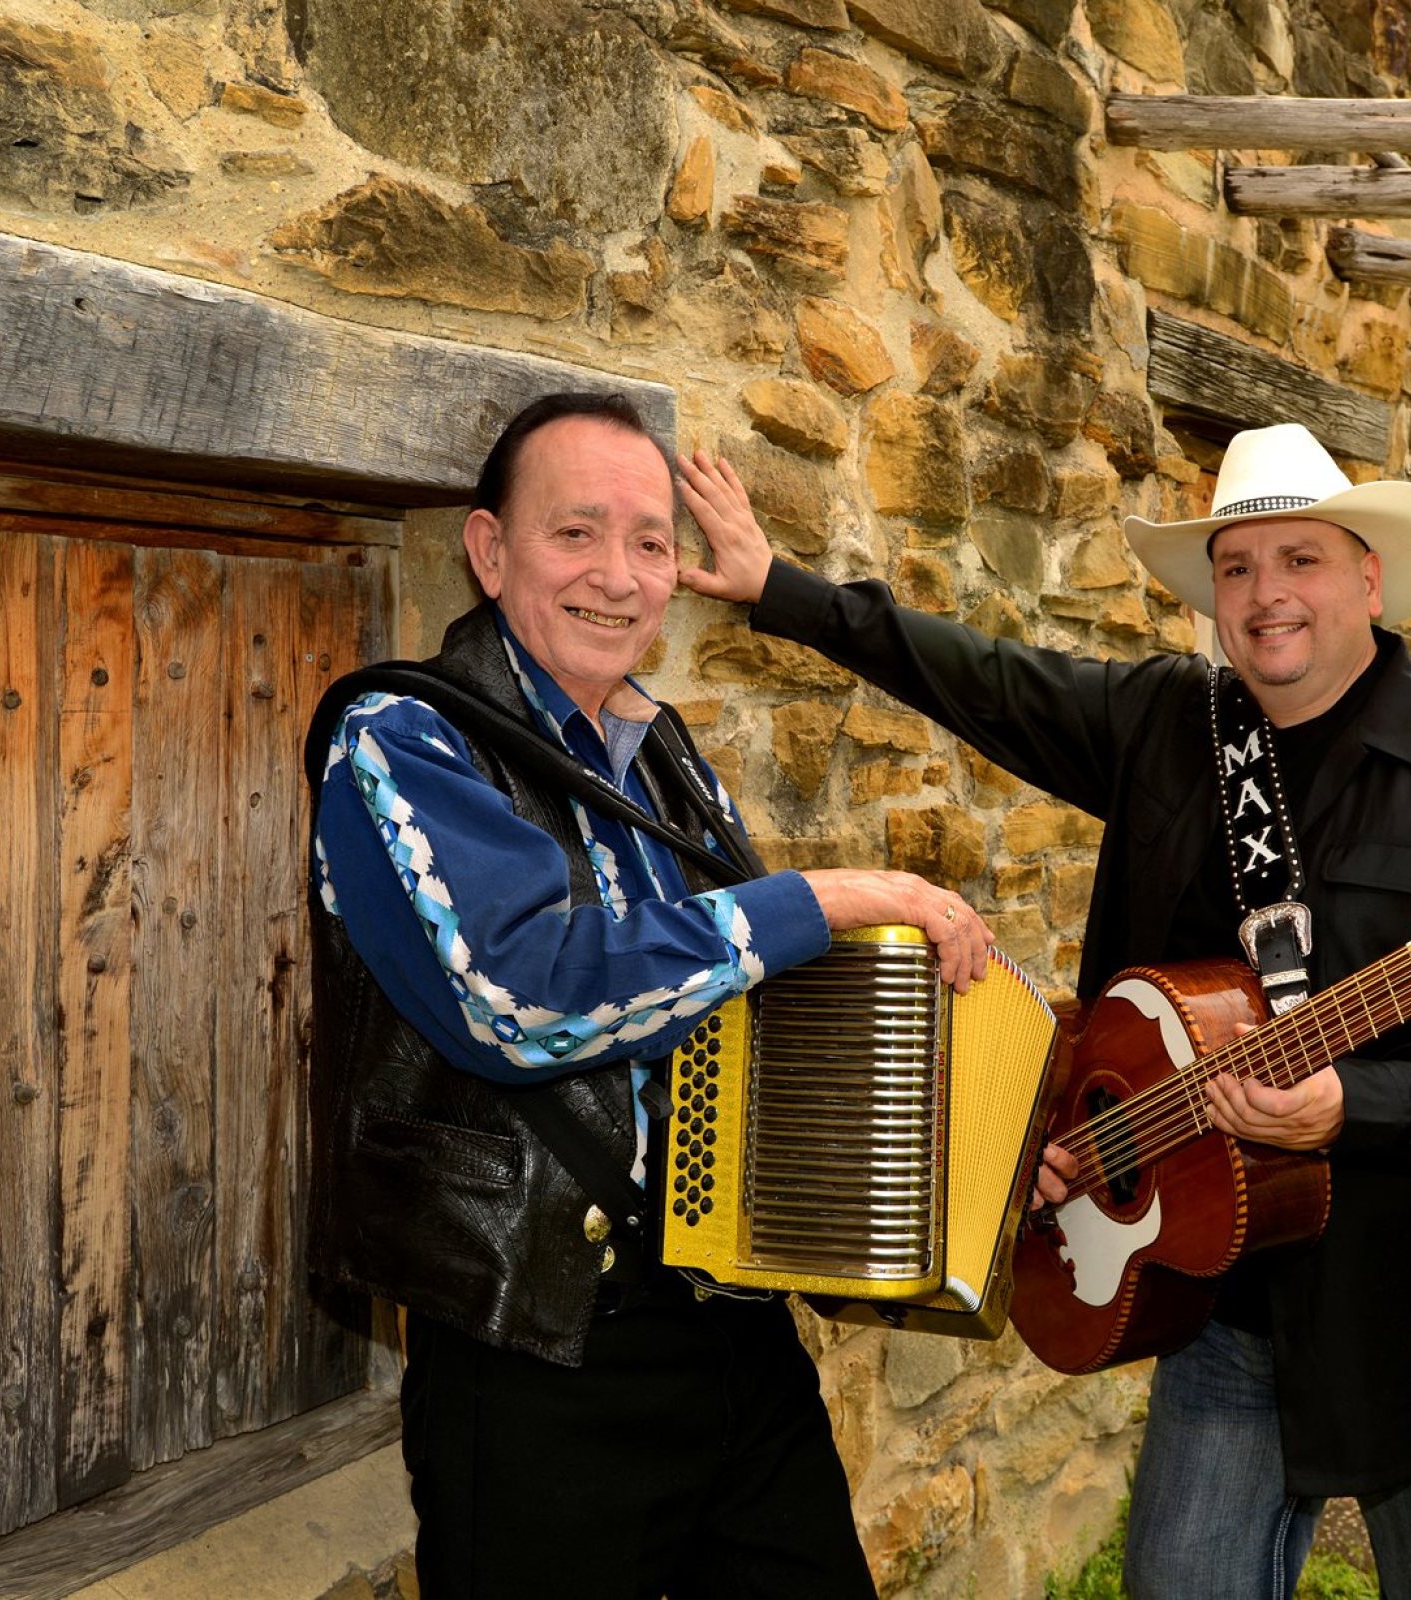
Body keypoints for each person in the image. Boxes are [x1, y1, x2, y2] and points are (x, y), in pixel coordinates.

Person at [678, 422, 1411, 1600]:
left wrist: (1352, 1105)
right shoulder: (1172, 726)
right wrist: (781, 590)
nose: (1266, 594)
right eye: (1237, 567)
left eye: (1301, 560)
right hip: (1224, 1293)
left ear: (1370, 579)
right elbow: (979, 678)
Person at [306, 392, 995, 1598]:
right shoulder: (402, 736)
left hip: (731, 1333)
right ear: (489, 549)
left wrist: (962, 1145)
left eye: (650, 542)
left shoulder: (667, 754)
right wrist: (815, 897)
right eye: (575, 534)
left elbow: (740, 1013)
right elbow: (521, 999)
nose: (617, 577)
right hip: (537, 1354)